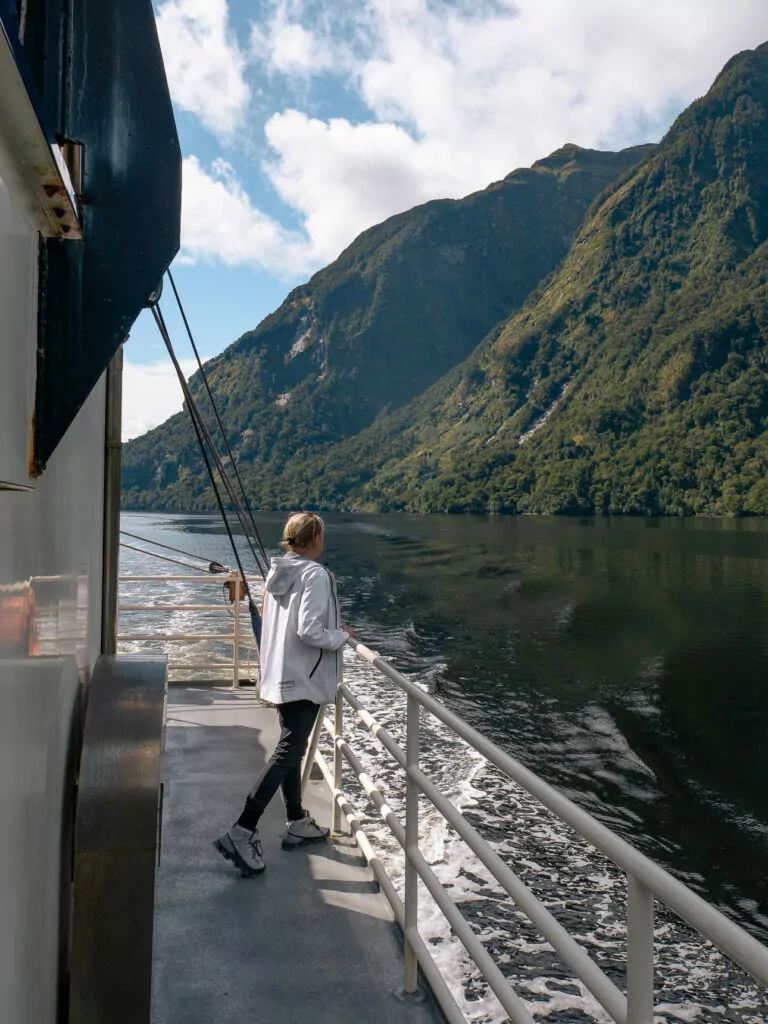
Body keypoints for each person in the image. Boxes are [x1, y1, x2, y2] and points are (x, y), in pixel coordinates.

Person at [214, 512, 357, 877]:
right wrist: (341, 637)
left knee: (292, 748)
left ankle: (295, 820)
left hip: (281, 675)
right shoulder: (316, 575)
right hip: (304, 678)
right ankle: (242, 830)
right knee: (288, 752)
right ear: (316, 539)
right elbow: (309, 630)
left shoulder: (278, 574)